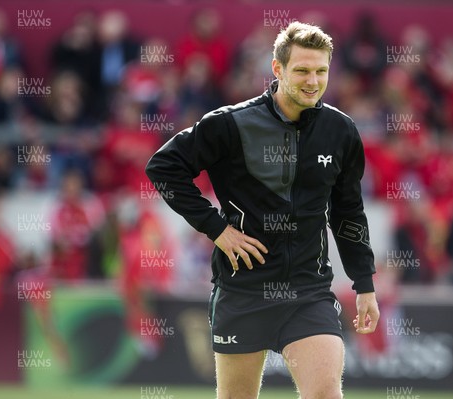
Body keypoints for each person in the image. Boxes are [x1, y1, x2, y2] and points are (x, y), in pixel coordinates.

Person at [146, 21, 379, 399]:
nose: (313, 81)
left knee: (325, 395)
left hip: (308, 291)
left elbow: (348, 212)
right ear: (277, 69)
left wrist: (364, 284)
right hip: (242, 291)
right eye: (302, 70)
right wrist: (216, 228)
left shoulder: (342, 131)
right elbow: (163, 168)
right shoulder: (229, 124)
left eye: (321, 71)